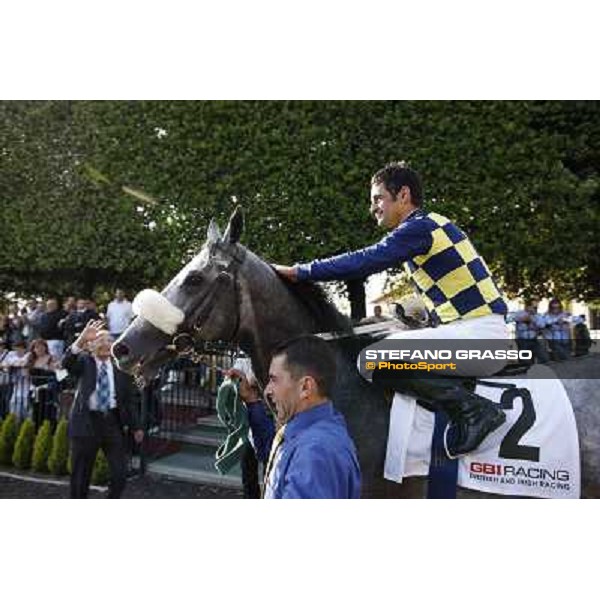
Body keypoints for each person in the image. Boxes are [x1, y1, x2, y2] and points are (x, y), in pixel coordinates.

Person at [274, 161, 509, 458]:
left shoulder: (419, 227)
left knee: (372, 360)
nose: (373, 207)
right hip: (476, 329)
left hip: (481, 335)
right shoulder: (429, 227)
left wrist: (300, 271)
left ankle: (475, 412)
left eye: (377, 198)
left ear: (403, 195)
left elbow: (366, 259)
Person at [234, 335, 361, 499]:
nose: (267, 390)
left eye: (274, 380)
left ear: (305, 387)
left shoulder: (316, 451)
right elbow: (271, 453)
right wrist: (252, 401)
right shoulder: (307, 433)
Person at [63, 319, 144, 499]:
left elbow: (129, 401)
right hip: (85, 423)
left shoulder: (122, 369)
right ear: (91, 346)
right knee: (80, 477)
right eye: (100, 340)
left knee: (120, 475)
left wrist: (136, 426)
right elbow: (67, 363)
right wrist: (81, 339)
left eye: (108, 340)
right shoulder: (84, 362)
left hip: (111, 423)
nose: (105, 344)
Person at [508, 298, 549, 364]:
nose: (535, 309)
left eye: (536, 307)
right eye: (533, 307)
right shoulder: (520, 313)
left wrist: (532, 320)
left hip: (534, 340)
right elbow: (508, 319)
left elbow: (542, 325)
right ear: (528, 306)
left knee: (543, 357)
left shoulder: (537, 316)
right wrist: (520, 319)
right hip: (522, 340)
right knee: (525, 361)